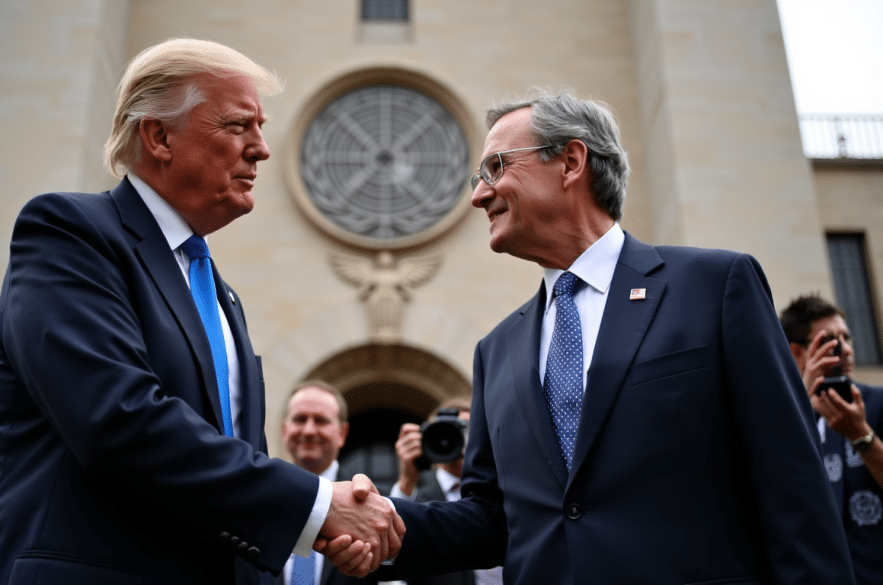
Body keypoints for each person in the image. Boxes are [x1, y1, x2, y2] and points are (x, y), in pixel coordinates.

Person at [325, 89, 855, 584]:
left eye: (495, 167)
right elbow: (491, 519)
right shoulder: (498, 351)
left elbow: (793, 487)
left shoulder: (714, 288)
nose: (479, 196)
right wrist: (378, 523)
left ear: (571, 163)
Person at [0, 38, 402, 585]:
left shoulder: (218, 291)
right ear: (159, 136)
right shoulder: (69, 233)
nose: (262, 149)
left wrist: (326, 532)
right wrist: (315, 507)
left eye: (260, 128)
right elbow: (119, 421)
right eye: (239, 126)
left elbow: (227, 460)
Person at [779, 293, 883, 584]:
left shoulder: (877, 404)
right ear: (797, 353)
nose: (846, 350)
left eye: (847, 338)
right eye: (831, 342)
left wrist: (861, 435)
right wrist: (800, 407)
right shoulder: (780, 418)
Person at [275, 381, 379, 585]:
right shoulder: (262, 500)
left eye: (321, 420)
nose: (309, 430)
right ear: (284, 429)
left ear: (342, 434)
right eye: (300, 419)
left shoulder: (373, 504)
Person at [390, 397, 501, 585]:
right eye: (455, 431)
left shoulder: (504, 493)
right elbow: (393, 561)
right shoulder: (416, 498)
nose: (464, 440)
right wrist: (407, 479)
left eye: (470, 430)